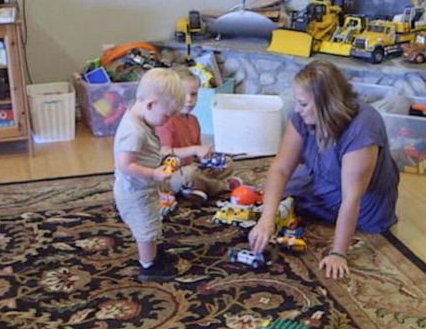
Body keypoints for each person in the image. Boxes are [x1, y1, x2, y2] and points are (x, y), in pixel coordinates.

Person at [248, 61, 399, 279]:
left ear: (325, 104)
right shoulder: (302, 114)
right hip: (323, 178)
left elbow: (351, 200)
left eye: (302, 104)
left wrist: (338, 253)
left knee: (292, 197)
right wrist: (266, 219)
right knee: (276, 191)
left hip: (363, 201)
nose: (296, 110)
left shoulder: (362, 129)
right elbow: (281, 168)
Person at [113, 68, 185, 282]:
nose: (167, 121)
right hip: (135, 193)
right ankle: (148, 267)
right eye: (166, 115)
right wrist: (154, 173)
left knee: (152, 222)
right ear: (150, 104)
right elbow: (125, 164)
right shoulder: (133, 131)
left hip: (143, 188)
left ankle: (153, 253)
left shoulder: (141, 119)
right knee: (146, 229)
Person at [155, 67, 240, 199]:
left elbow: (198, 154)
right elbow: (164, 152)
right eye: (183, 94)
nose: (189, 99)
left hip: (192, 166)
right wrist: (194, 150)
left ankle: (196, 188)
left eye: (194, 94)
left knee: (227, 163)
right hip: (171, 173)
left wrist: (206, 158)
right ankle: (222, 186)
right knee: (190, 175)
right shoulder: (165, 121)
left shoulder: (193, 120)